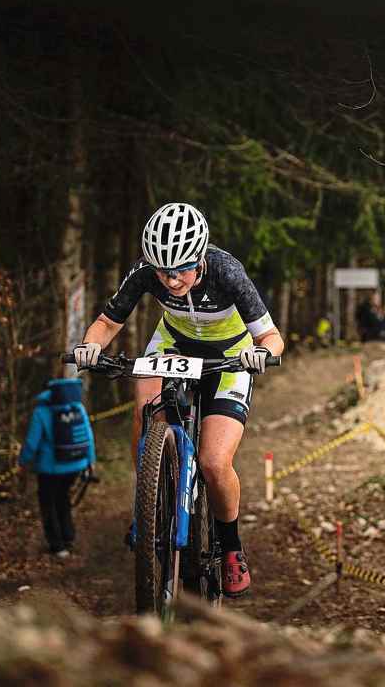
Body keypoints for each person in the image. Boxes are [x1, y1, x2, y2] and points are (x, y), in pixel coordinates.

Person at [72, 202, 285, 598]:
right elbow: (106, 323)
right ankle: (149, 501)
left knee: (213, 461)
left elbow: (272, 337)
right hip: (173, 345)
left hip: (230, 355)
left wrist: (261, 354)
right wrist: (89, 346)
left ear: (201, 257)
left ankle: (231, 546)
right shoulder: (145, 272)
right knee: (143, 399)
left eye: (182, 269)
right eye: (163, 271)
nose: (171, 281)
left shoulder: (227, 272)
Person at [18, 378, 96, 558]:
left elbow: (31, 443)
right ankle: (68, 537)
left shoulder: (41, 412)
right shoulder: (78, 408)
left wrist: (22, 462)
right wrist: (90, 460)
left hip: (50, 469)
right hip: (76, 465)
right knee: (63, 499)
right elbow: (89, 437)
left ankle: (57, 545)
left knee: (48, 504)